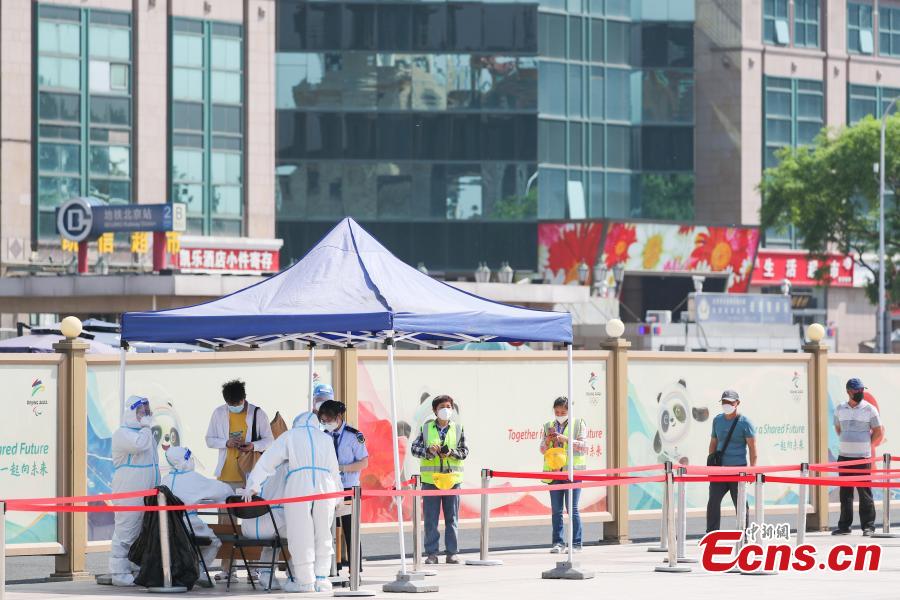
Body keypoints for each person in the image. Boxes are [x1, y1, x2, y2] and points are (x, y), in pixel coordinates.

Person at [244, 411, 342, 593]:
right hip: (326, 485)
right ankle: (322, 579)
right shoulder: (326, 438)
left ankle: (305, 581)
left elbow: (267, 461)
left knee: (300, 531)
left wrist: (253, 485)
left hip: (299, 484)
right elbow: (334, 470)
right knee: (323, 532)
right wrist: (338, 496)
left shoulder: (290, 435)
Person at [205, 379, 274, 580]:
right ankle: (228, 569)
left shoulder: (258, 413)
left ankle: (254, 568)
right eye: (230, 404)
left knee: (252, 522)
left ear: (244, 398)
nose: (234, 407)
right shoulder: (219, 413)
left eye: (237, 403)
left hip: (250, 475)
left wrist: (252, 446)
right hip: (226, 476)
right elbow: (209, 440)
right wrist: (226, 442)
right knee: (227, 524)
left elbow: (270, 440)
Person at [163, 446, 234, 587]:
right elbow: (223, 491)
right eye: (189, 457)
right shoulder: (193, 478)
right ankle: (199, 570)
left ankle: (186, 570)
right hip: (189, 523)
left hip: (166, 526)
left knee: (186, 543)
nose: (192, 460)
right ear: (184, 461)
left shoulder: (165, 479)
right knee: (213, 541)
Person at [410, 395, 468, 565]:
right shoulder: (426, 428)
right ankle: (431, 554)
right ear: (435, 410)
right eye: (442, 407)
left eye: (449, 406)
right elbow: (414, 449)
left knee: (452, 519)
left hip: (452, 480)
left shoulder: (458, 428)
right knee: (431, 520)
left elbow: (464, 451)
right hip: (431, 481)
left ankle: (452, 553)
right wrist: (428, 451)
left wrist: (451, 452)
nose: (446, 410)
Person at [108, 396, 160, 587]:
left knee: (141, 531)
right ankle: (119, 572)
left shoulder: (145, 433)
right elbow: (139, 446)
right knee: (126, 531)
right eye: (141, 412)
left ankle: (137, 568)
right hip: (129, 489)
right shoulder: (123, 433)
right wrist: (146, 427)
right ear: (131, 412)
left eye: (147, 412)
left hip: (147, 490)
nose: (145, 415)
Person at [318, 400, 369, 572]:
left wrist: (342, 468)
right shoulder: (323, 435)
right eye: (323, 420)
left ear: (339, 416)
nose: (326, 423)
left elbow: (364, 462)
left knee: (350, 529)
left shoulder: (354, 435)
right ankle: (333, 568)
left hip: (348, 487)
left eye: (328, 419)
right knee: (329, 528)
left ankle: (355, 570)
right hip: (328, 487)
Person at [833, 378, 884, 536]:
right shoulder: (840, 408)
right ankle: (844, 526)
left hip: (862, 458)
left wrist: (867, 446)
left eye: (862, 390)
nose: (860, 393)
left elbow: (878, 431)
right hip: (844, 458)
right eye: (857, 390)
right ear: (849, 391)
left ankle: (868, 526)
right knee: (845, 493)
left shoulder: (870, 409)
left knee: (865, 493)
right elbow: (838, 428)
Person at [540, 396, 587, 553]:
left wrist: (566, 439)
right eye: (557, 412)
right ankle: (558, 543)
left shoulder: (578, 423)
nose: (559, 415)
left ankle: (576, 543)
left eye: (563, 412)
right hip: (554, 473)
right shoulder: (548, 426)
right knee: (556, 510)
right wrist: (547, 441)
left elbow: (584, 447)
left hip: (573, 472)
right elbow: (542, 450)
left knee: (572, 509)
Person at [706, 390, 756, 533]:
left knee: (741, 504)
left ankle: (744, 535)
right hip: (719, 470)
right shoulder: (717, 420)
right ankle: (711, 534)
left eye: (729, 402)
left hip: (739, 471)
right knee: (713, 502)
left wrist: (752, 470)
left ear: (737, 403)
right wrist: (711, 464)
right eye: (724, 402)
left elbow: (752, 448)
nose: (726, 404)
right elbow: (713, 443)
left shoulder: (745, 423)